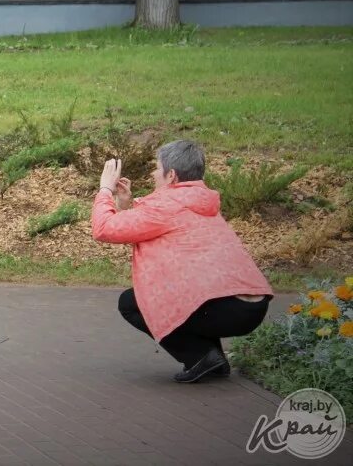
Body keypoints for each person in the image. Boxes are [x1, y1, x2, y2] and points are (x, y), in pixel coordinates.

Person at [91, 140, 273, 383]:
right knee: (189, 293)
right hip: (253, 307)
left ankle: (201, 357)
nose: (154, 173)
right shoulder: (201, 201)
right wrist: (124, 206)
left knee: (132, 302)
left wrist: (104, 190)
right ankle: (212, 359)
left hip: (221, 309)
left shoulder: (166, 206)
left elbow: (104, 228)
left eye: (157, 168)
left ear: (172, 175)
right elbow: (143, 227)